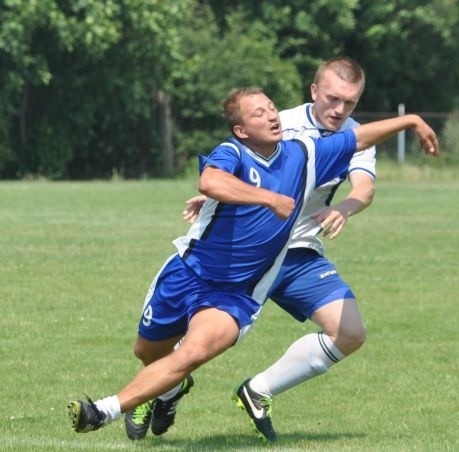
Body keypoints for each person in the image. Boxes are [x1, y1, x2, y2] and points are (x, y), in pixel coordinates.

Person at [67, 86, 439, 437]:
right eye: (259, 114)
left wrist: (411, 121)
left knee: (193, 352)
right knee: (147, 352)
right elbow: (210, 183)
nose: (272, 116)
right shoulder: (233, 152)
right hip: (187, 271)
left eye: (272, 108)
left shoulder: (304, 152)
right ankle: (168, 391)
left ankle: (102, 411)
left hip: (236, 294)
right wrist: (267, 198)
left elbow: (358, 139)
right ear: (241, 130)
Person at [123, 56, 379, 442]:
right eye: (333, 99)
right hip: (245, 255)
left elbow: (364, 186)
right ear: (314, 91)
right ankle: (162, 389)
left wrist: (345, 206)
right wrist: (210, 202)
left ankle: (258, 390)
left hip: (298, 252)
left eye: (350, 103)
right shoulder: (279, 122)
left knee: (351, 332)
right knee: (170, 344)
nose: (340, 110)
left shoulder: (356, 135)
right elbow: (231, 172)